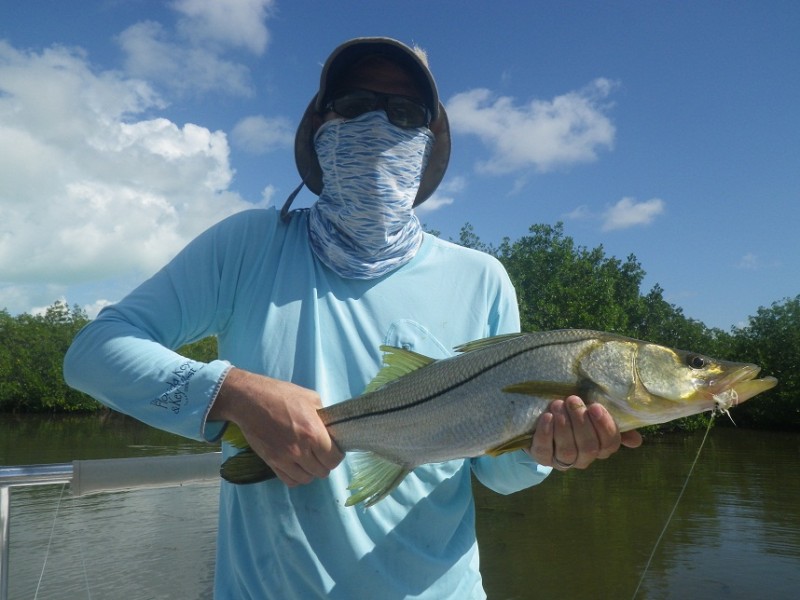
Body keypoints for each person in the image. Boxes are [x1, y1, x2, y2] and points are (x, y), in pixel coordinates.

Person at [64, 37, 642, 599]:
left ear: (427, 143)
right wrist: (232, 393)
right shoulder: (248, 245)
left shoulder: (481, 277)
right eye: (356, 105)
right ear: (320, 129)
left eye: (405, 112)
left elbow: (501, 476)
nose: (379, 125)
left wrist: (549, 452)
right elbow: (92, 354)